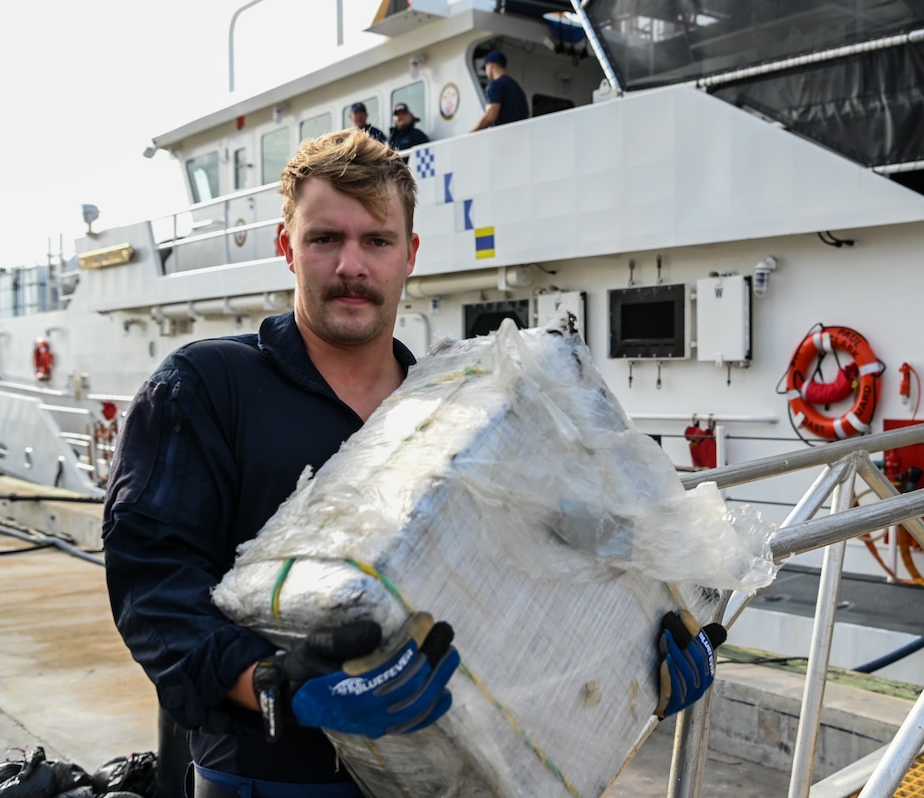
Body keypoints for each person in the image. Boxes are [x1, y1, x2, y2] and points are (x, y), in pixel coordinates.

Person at [103, 129, 722, 798]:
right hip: (270, 781)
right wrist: (274, 686)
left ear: (409, 256)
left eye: (376, 240)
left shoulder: (464, 409)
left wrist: (650, 642)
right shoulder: (207, 386)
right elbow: (152, 582)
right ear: (286, 247)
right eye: (324, 239)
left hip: (450, 778)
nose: (351, 265)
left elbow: (550, 558)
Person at [470, 50, 529, 131]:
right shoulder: (516, 86)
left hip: (504, 136)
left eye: (485, 68)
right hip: (521, 134)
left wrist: (471, 133)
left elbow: (490, 117)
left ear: (491, 65)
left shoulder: (495, 85)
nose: (486, 72)